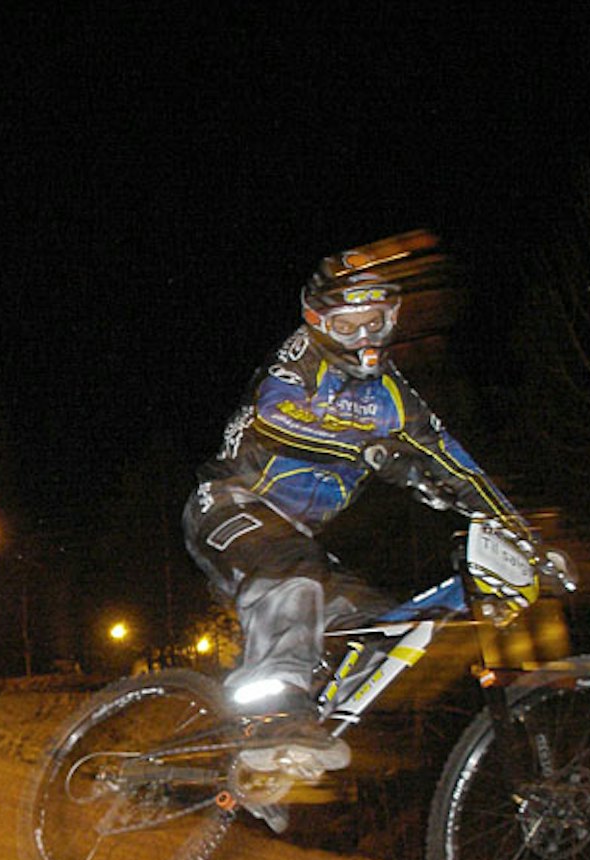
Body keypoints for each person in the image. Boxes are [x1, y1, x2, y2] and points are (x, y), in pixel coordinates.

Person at [183, 230, 531, 763]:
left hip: (295, 537)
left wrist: (519, 532)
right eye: (347, 326)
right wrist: (361, 444)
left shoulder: (393, 397)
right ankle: (275, 713)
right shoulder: (299, 358)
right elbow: (277, 416)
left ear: (392, 320)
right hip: (229, 509)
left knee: (383, 628)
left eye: (376, 323)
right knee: (293, 569)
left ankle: (274, 767)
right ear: (320, 324)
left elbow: (447, 458)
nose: (363, 339)